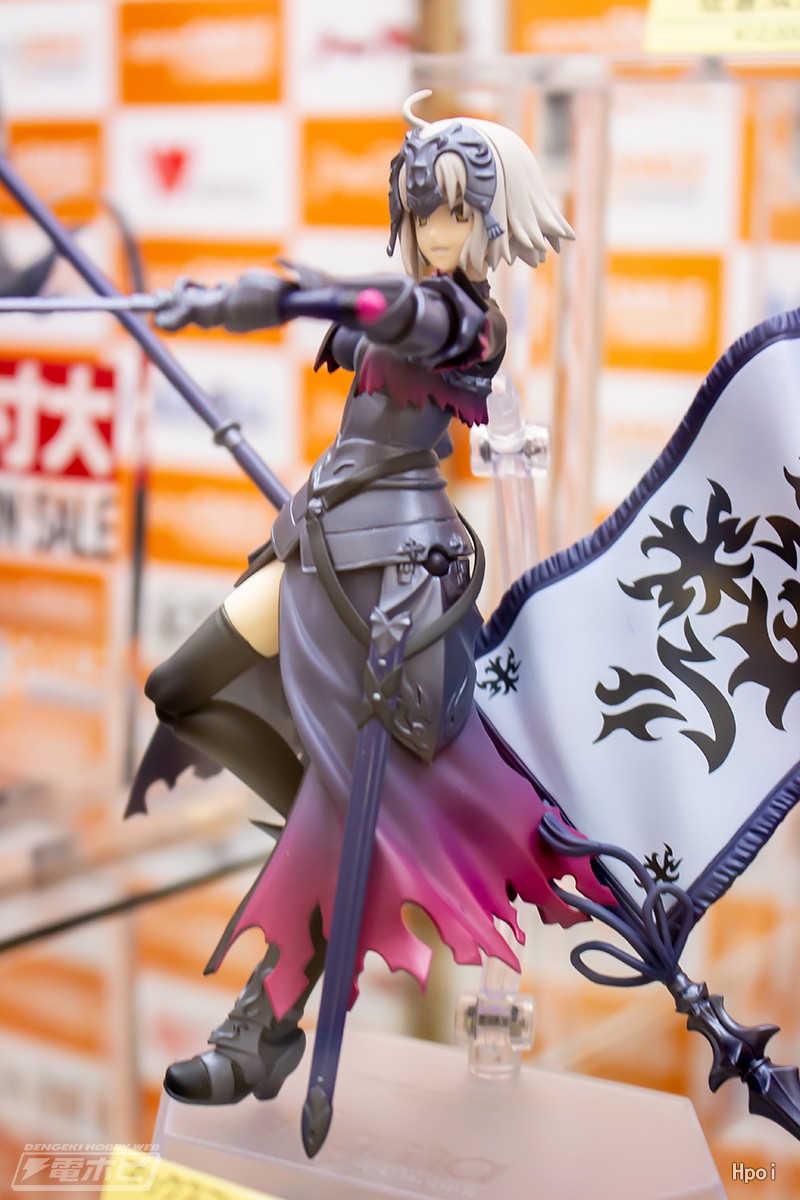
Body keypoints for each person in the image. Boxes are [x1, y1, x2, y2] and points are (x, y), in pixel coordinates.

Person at [135, 91, 608, 1107]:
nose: (436, 232)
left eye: (456, 212)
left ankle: (260, 1033)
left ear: (491, 219)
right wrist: (232, 308)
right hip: (316, 547)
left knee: (338, 805)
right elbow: (374, 327)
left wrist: (274, 297)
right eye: (423, 209)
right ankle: (328, 806)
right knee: (180, 688)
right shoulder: (420, 306)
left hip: (389, 585)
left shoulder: (467, 321)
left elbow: (391, 314)